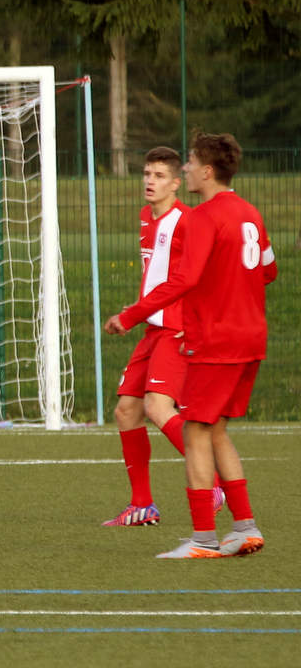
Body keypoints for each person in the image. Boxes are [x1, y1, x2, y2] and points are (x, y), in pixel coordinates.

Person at [105, 132, 277, 559]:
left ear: (206, 170)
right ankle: (244, 529)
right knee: (213, 430)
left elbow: (184, 280)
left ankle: (203, 539)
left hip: (215, 340)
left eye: (189, 163)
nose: (184, 169)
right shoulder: (250, 213)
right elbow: (268, 271)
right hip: (251, 337)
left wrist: (129, 315)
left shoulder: (202, 217)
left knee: (195, 430)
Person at [102, 147, 223, 527]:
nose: (149, 182)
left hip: (178, 327)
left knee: (156, 406)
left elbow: (202, 276)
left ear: (175, 183)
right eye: (146, 173)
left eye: (158, 176)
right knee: (126, 410)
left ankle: (214, 483)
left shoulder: (188, 221)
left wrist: (197, 318)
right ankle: (142, 505)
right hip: (153, 326)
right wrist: (139, 310)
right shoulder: (145, 218)